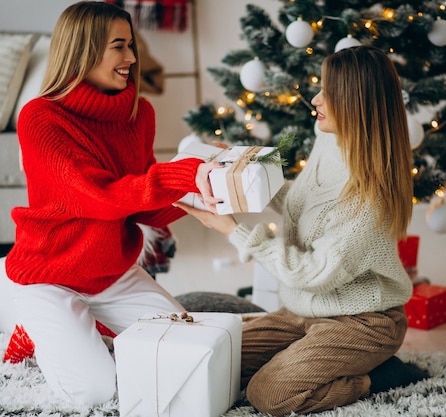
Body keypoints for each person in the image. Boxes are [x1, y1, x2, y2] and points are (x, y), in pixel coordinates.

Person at [174, 45, 429, 416]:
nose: (315, 99)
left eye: (328, 91)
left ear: (355, 102)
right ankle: (307, 358)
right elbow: (303, 200)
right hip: (302, 310)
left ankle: (381, 375)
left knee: (270, 394)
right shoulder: (331, 138)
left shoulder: (370, 199)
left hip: (363, 323)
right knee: (216, 359)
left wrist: (236, 232)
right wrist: (240, 165)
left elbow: (313, 273)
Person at [4, 1, 222, 406]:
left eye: (131, 45)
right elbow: (100, 197)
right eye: (119, 46)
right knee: (96, 390)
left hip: (113, 274)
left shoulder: (139, 113)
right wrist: (182, 174)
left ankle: (84, 327)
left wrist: (208, 189)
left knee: (190, 352)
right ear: (83, 51)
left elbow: (140, 206)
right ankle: (36, 328)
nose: (132, 58)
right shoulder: (40, 118)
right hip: (49, 277)